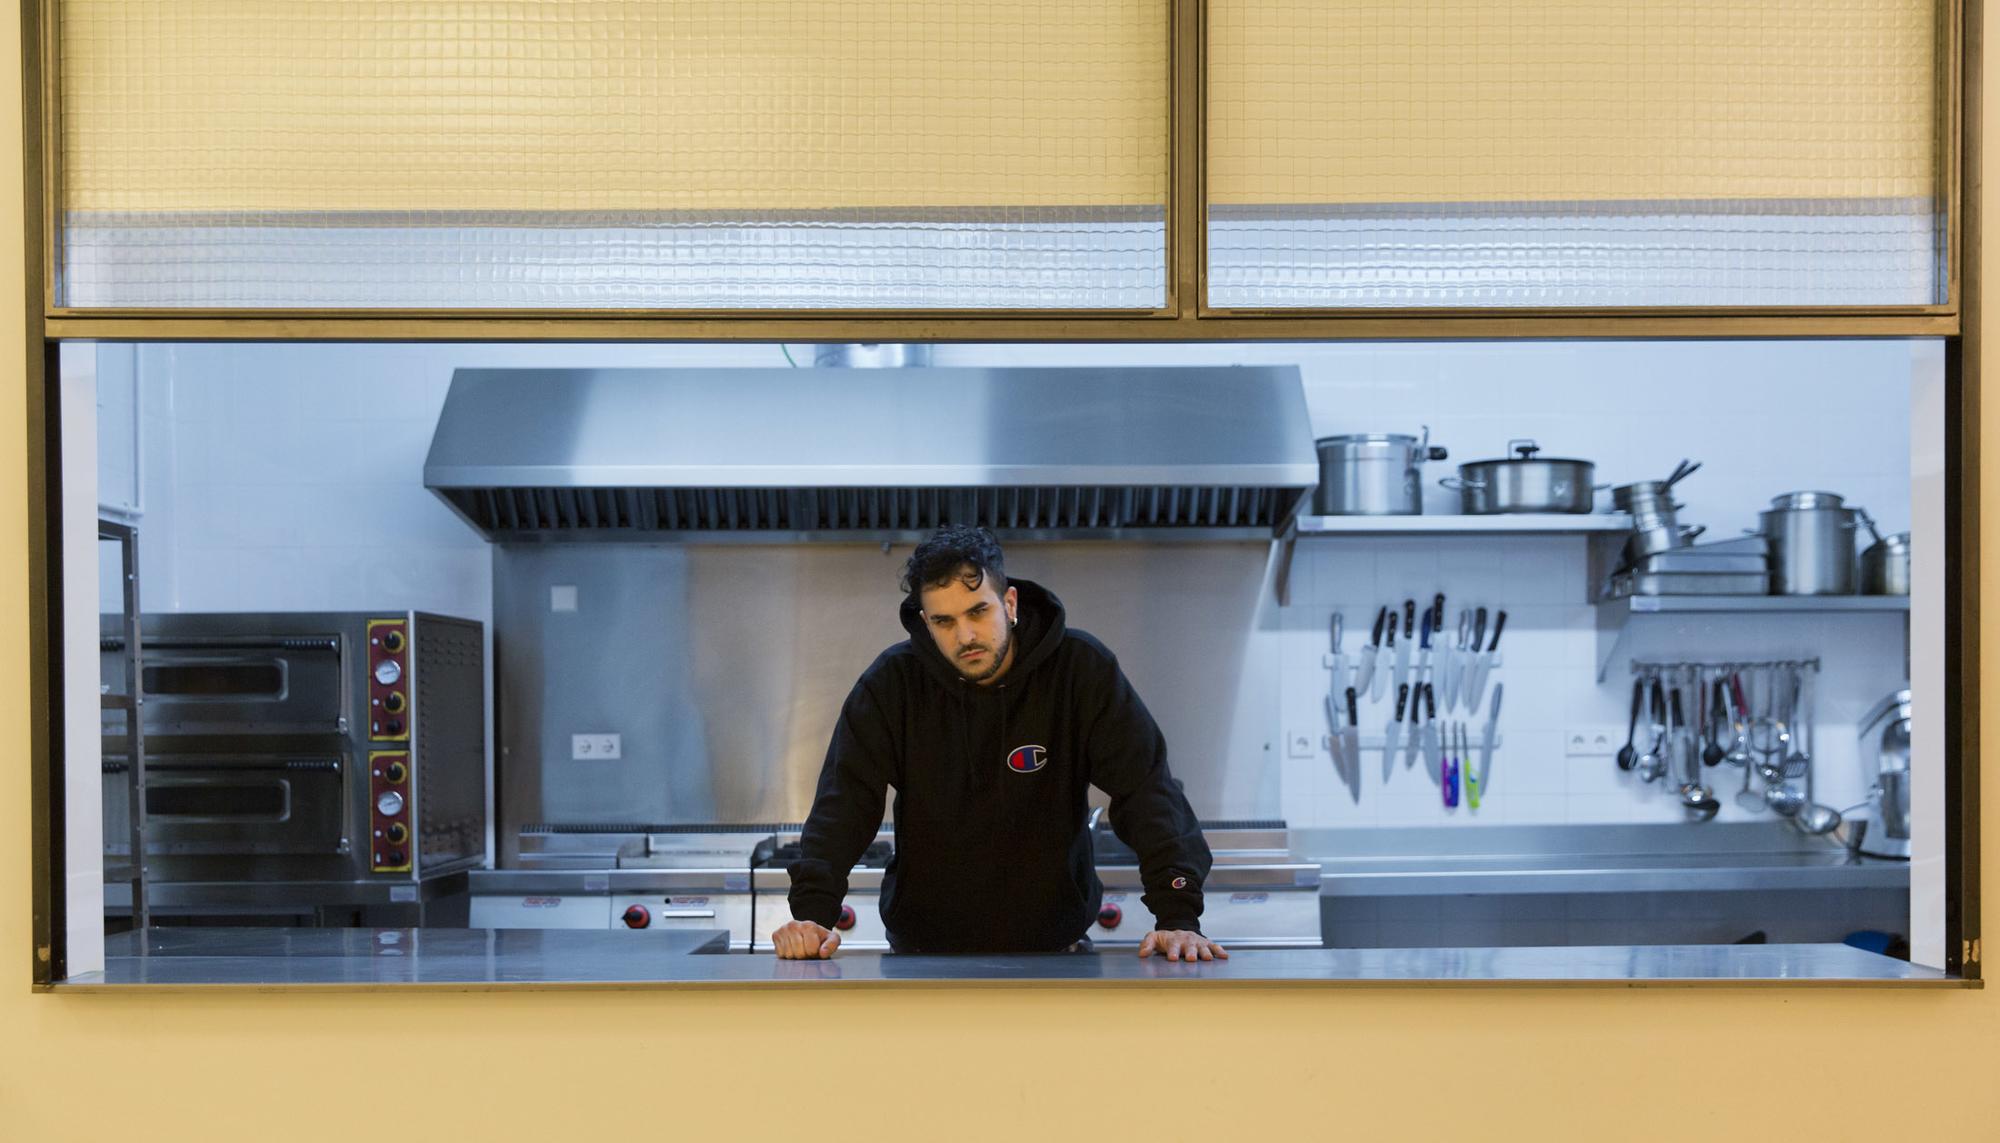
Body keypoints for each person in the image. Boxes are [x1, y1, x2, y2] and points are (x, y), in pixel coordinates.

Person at [773, 525, 1227, 961]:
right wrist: (813, 915)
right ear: (926, 623)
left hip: (1056, 951)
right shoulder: (892, 685)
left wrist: (1178, 915)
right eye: (944, 621)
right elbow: (845, 804)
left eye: (978, 612)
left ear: (1009, 603)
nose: (965, 636)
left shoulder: (1080, 671)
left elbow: (1146, 789)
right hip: (922, 955)